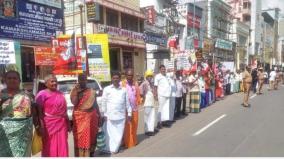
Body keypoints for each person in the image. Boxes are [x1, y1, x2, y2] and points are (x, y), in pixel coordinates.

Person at [0, 70, 33, 157]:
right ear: (5, 80)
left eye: (15, 78)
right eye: (9, 78)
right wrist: (3, 100)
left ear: (19, 80)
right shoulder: (1, 94)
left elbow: (33, 110)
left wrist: (38, 125)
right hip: (4, 133)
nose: (12, 80)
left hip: (24, 132)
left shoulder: (27, 94)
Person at [35, 74, 69, 157]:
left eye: (56, 81)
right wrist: (40, 125)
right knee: (49, 146)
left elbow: (64, 110)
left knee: (63, 145)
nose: (55, 83)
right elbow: (38, 112)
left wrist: (68, 123)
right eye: (52, 81)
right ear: (46, 83)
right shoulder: (41, 94)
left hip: (62, 124)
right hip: (48, 125)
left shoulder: (60, 93)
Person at [70, 74, 101, 157]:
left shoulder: (91, 91)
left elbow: (95, 104)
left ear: (86, 80)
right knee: (81, 138)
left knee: (92, 136)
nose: (83, 81)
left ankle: (90, 153)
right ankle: (82, 155)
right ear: (78, 80)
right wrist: (77, 91)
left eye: (84, 80)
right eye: (81, 80)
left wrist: (99, 116)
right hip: (79, 117)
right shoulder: (75, 91)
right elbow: (74, 102)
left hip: (92, 117)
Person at [101, 71, 131, 154]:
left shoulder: (124, 90)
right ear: (111, 79)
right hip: (109, 115)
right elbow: (103, 102)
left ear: (120, 79)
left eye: (117, 78)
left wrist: (129, 113)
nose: (115, 80)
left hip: (121, 116)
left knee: (118, 134)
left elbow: (127, 102)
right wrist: (104, 114)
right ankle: (108, 148)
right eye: (114, 78)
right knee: (109, 134)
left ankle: (114, 149)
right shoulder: (107, 89)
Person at [121, 68, 141, 149]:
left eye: (131, 75)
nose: (130, 76)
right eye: (129, 75)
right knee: (128, 127)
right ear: (126, 75)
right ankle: (128, 143)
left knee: (135, 125)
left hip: (135, 108)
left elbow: (138, 95)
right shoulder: (122, 84)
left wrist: (138, 101)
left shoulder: (135, 83)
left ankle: (134, 140)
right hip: (126, 109)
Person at [140, 70, 156, 136]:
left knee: (152, 116)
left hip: (152, 102)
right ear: (146, 77)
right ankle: (147, 130)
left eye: (151, 76)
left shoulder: (151, 84)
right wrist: (143, 98)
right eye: (148, 76)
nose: (150, 77)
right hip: (147, 102)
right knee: (147, 116)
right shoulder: (144, 83)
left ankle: (151, 130)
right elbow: (140, 91)